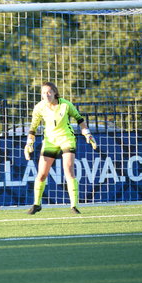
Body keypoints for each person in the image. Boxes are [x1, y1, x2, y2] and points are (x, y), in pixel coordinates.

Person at [24, 82, 97, 215]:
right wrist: (29, 143)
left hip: (66, 139)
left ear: (55, 93)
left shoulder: (65, 104)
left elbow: (79, 119)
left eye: (49, 92)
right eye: (44, 93)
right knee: (42, 174)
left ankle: (74, 206)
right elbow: (33, 127)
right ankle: (36, 204)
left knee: (68, 170)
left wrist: (87, 133)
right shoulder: (39, 107)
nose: (46, 95)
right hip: (50, 141)